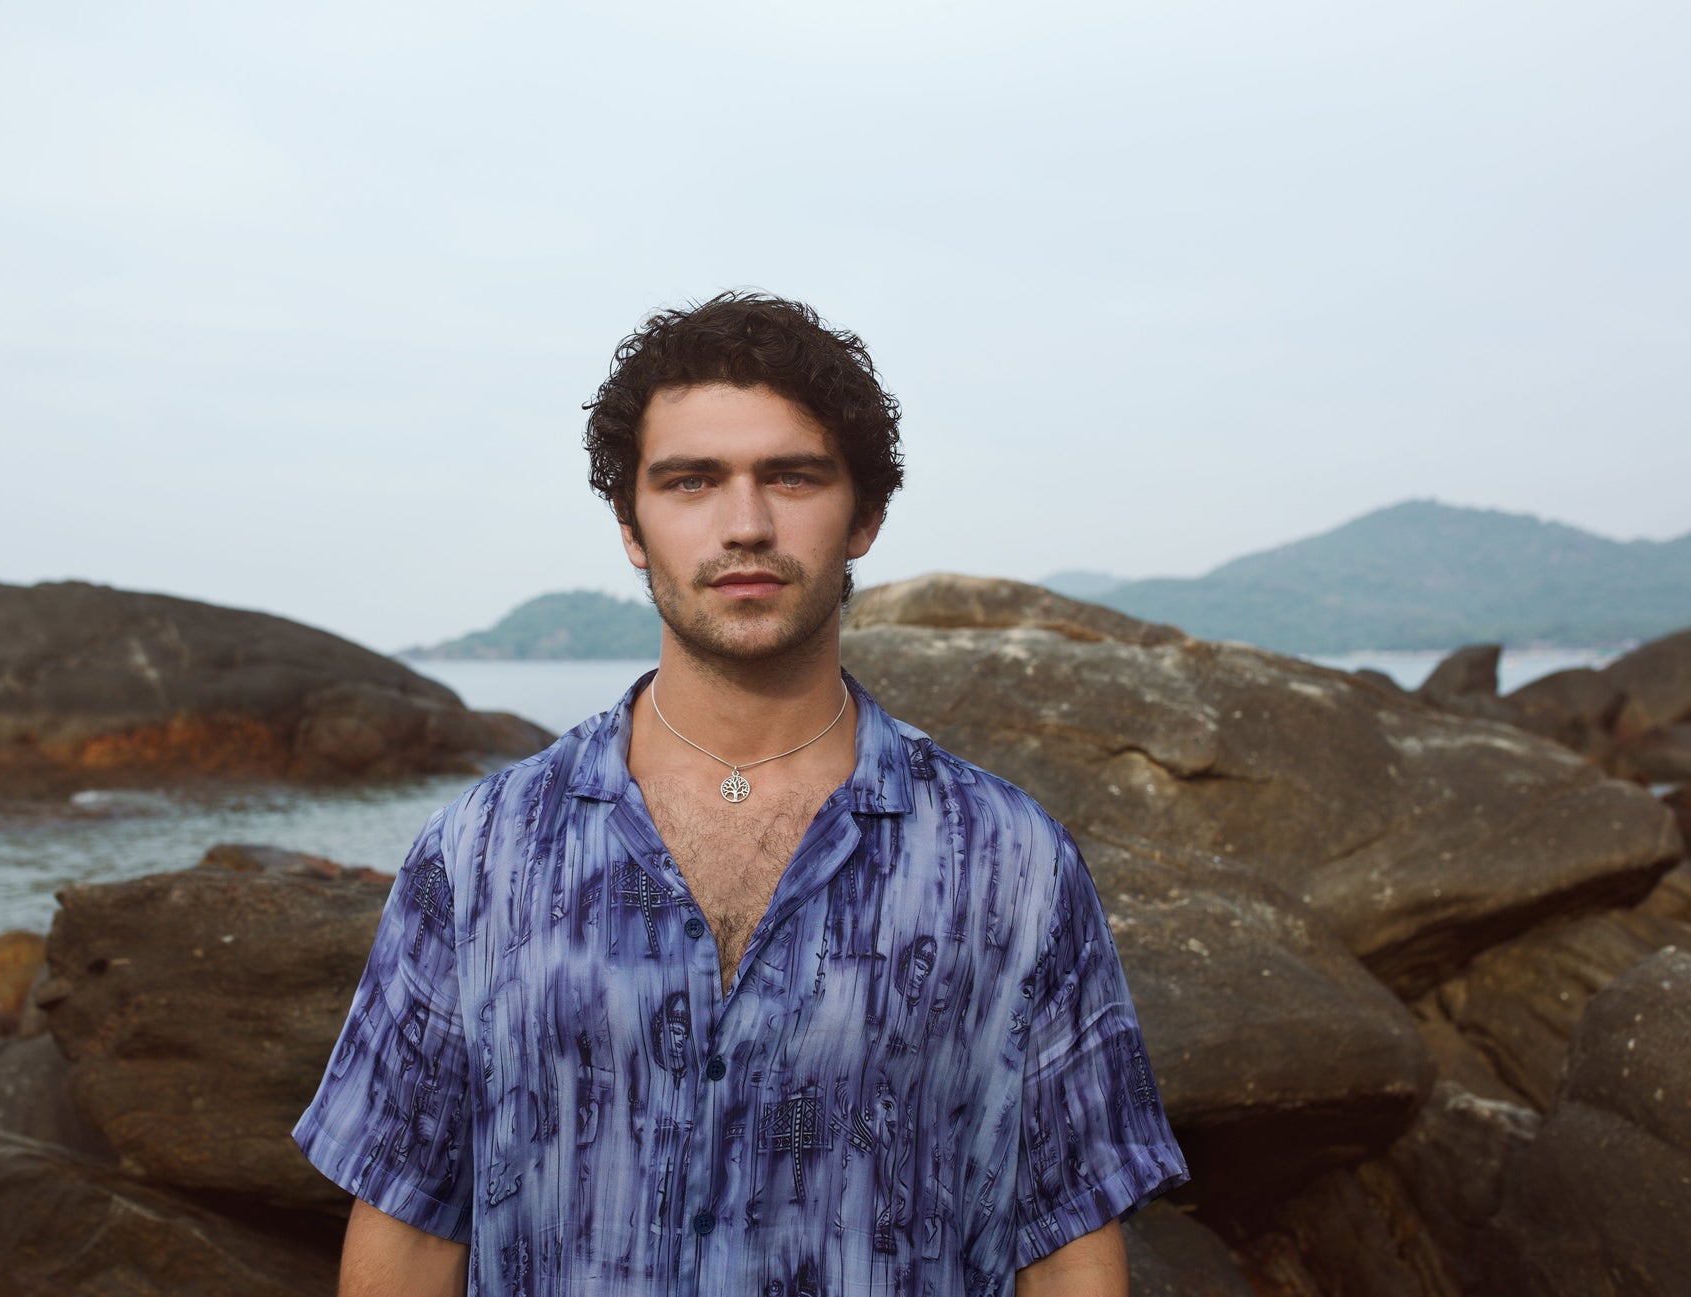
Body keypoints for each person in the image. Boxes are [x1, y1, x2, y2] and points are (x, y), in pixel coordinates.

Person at [293, 293, 1189, 1296]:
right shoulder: (480, 850)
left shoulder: (1011, 860)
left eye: (792, 476)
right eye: (691, 481)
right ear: (632, 525)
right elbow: (411, 1226)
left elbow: (1065, 1241)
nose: (746, 524)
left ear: (864, 516)